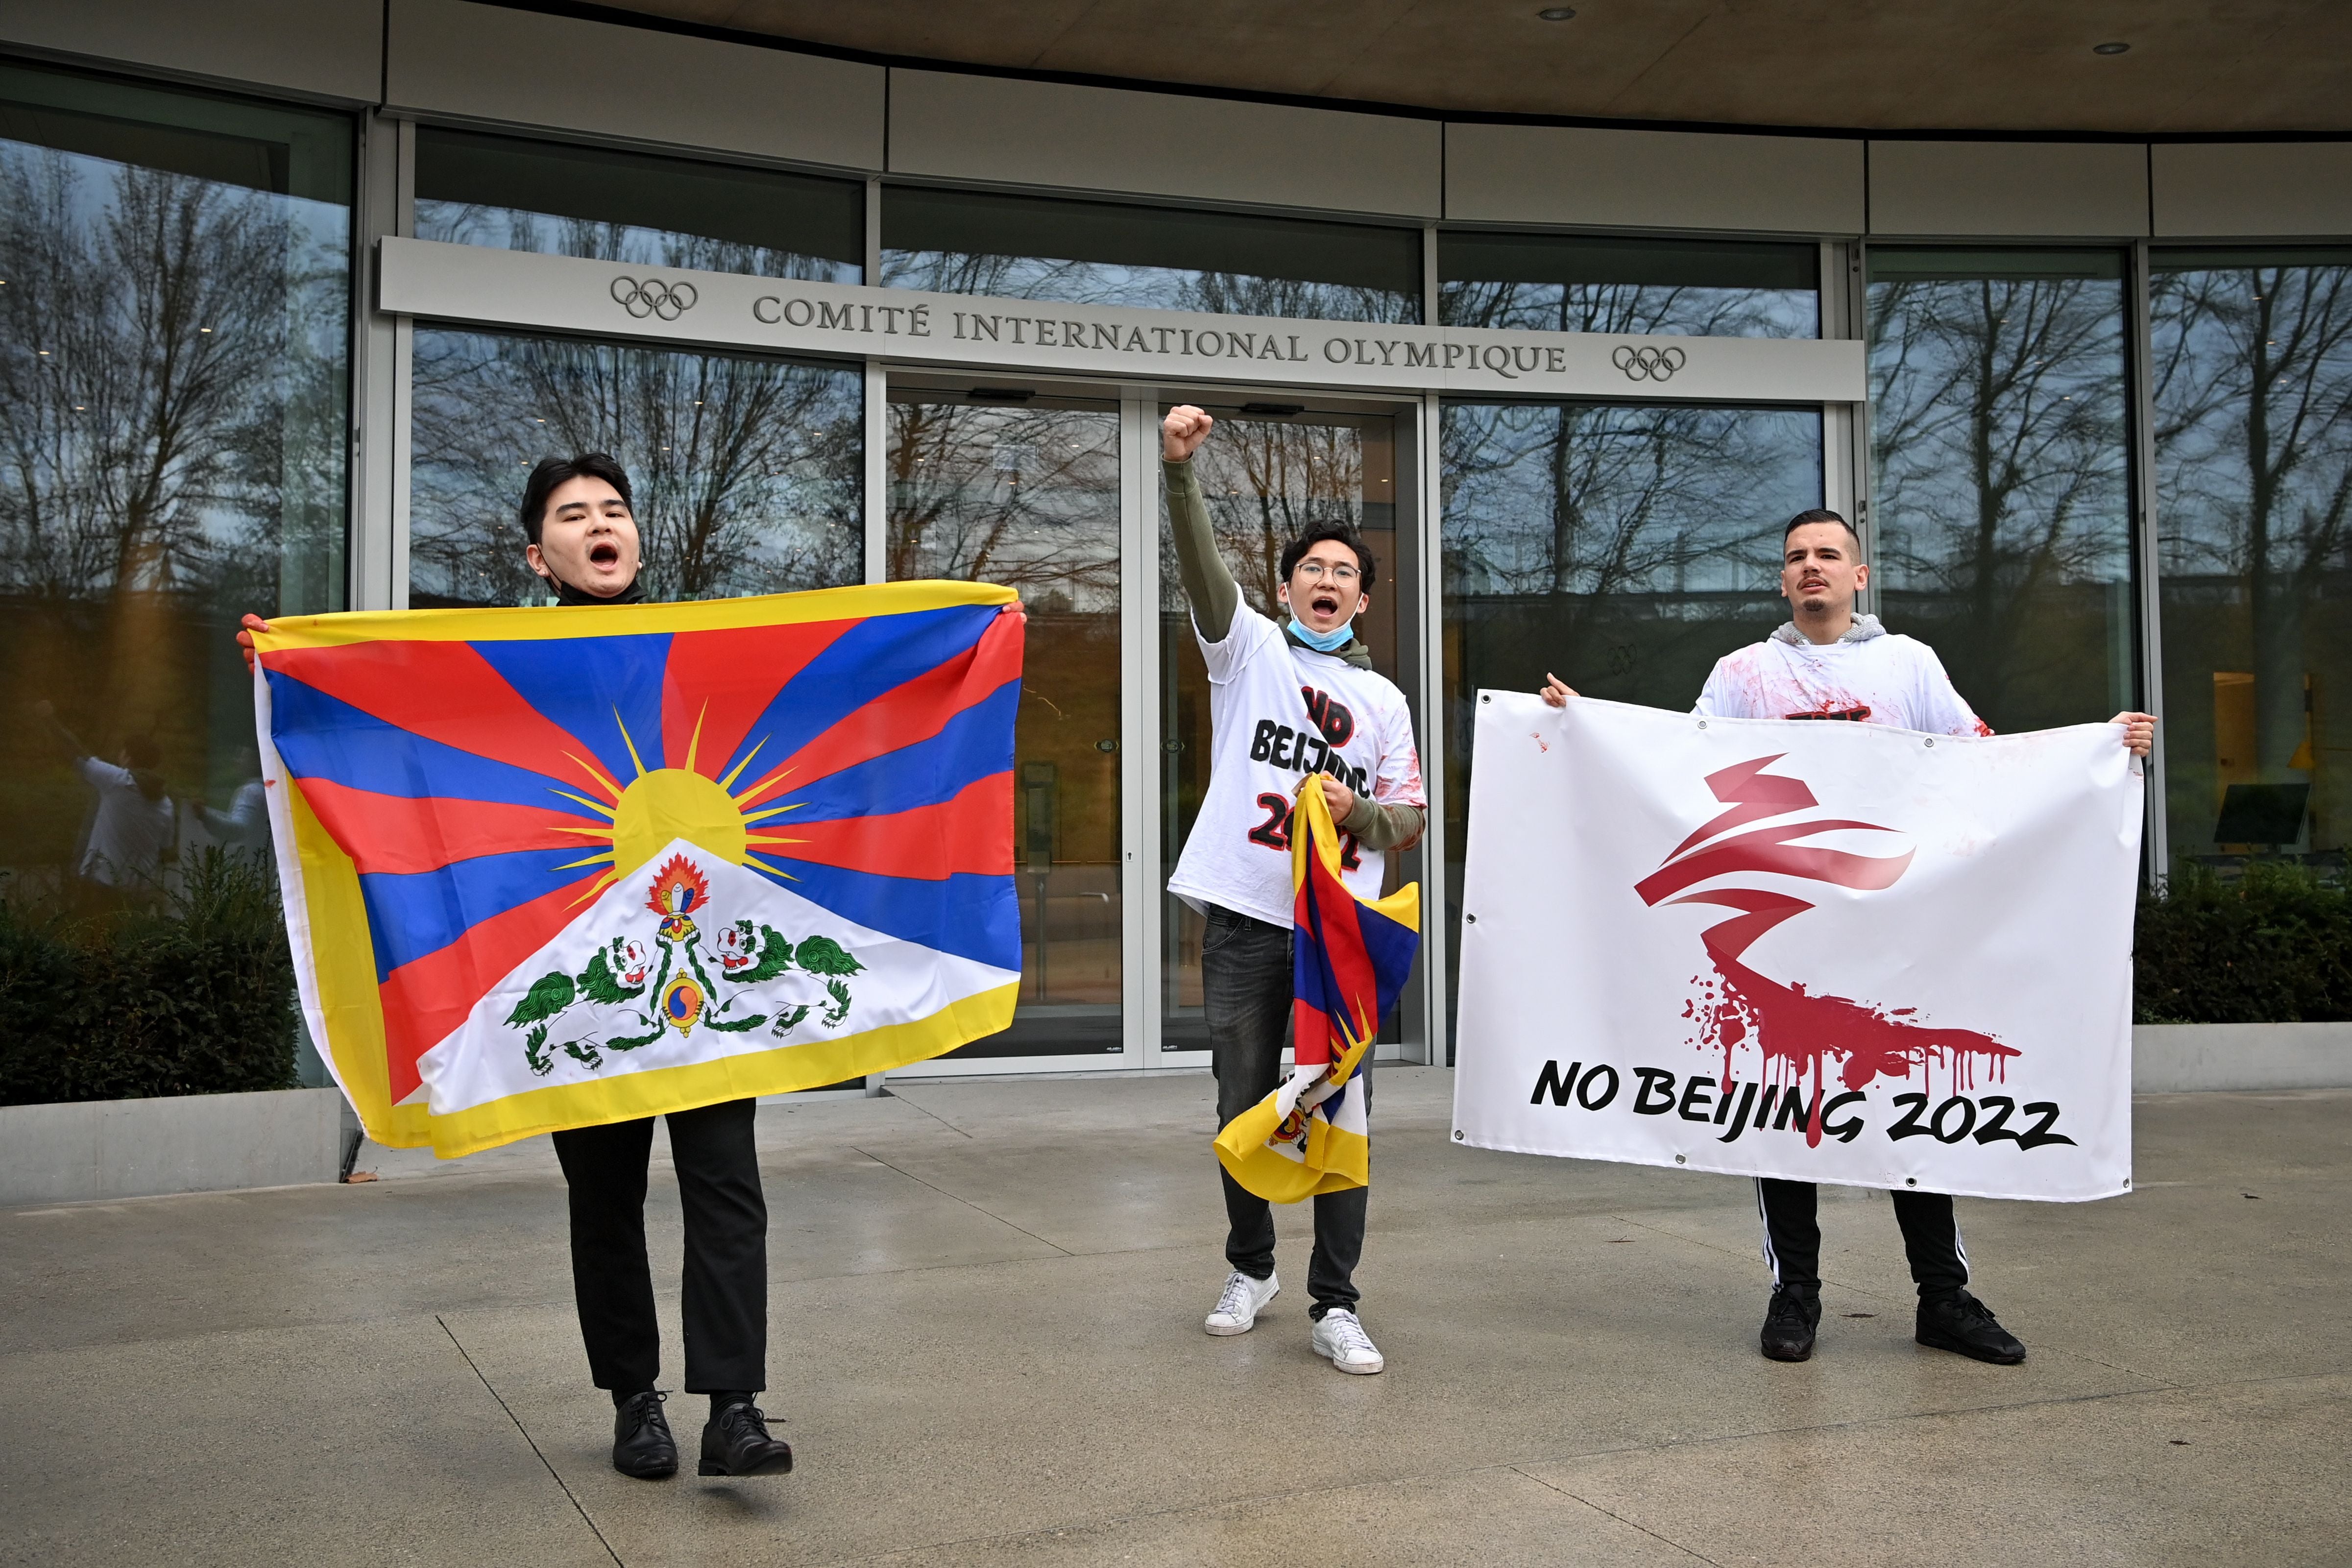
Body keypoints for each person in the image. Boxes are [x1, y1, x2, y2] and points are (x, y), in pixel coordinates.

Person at [241, 454, 794, 1482]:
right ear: (538, 554)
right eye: (574, 514)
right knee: (607, 1195)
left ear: (636, 538)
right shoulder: (501, 662)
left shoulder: (698, 648)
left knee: (728, 1182)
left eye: (615, 510)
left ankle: (736, 1405)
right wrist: (294, 663)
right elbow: (396, 711)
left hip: (701, 967)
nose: (601, 525)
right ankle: (637, 1402)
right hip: (583, 976)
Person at [1541, 506, 2156, 1367]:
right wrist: (1585, 727)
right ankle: (1795, 1294)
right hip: (1785, 938)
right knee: (1783, 1112)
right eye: (1796, 557)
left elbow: (1981, 763)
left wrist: (2099, 750)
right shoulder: (1742, 674)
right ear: (1782, 578)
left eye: (1828, 554)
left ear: (1858, 575)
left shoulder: (1908, 665)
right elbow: (1678, 764)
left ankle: (1943, 1296)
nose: (1811, 567)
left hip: (1896, 933)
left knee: (1913, 1112)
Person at [1161, 405, 1428, 1375]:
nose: (1327, 582)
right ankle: (1251, 1267)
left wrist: (1355, 812)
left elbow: (1410, 818)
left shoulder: (1386, 700)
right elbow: (1199, 573)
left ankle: (1338, 1300)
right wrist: (1182, 475)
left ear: (1363, 597)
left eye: (1344, 574)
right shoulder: (1249, 654)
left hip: (1338, 935)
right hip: (1244, 914)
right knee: (1242, 1096)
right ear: (1285, 587)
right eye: (1311, 569)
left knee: (1337, 1104)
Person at [32, 701, 175, 908]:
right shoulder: (167, 805)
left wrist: (49, 720)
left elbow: (76, 754)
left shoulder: (118, 781)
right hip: (140, 893)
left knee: (91, 939)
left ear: (127, 757)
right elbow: (165, 849)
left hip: (104, 889)